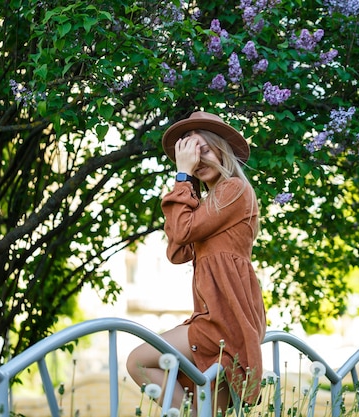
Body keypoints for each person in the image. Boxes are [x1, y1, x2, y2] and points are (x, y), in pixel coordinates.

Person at [126, 111, 267, 414]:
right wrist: (186, 186)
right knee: (212, 410)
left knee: (137, 360)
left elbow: (182, 231)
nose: (198, 160)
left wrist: (182, 178)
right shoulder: (207, 204)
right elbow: (178, 252)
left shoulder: (234, 190)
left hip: (225, 318)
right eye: (190, 155)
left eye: (203, 149)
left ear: (221, 149)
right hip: (216, 317)